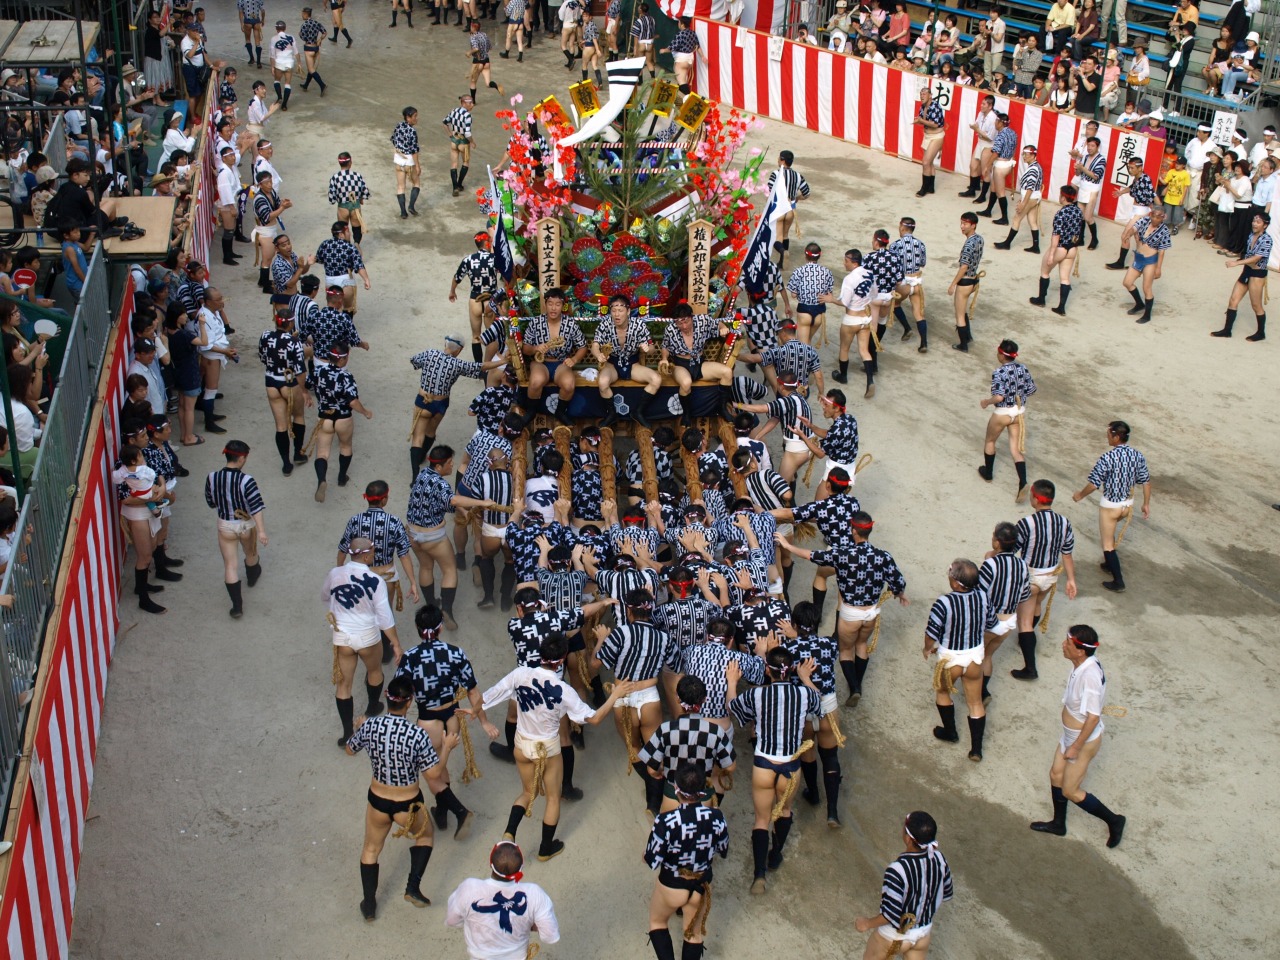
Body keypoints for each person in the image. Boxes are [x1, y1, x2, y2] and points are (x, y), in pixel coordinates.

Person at [470, 632, 635, 860]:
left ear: (541, 654)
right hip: (548, 749)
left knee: (528, 792)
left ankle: (509, 833)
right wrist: (614, 694)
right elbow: (594, 719)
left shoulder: (521, 674)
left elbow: (488, 697)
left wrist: (474, 712)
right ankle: (545, 848)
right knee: (553, 798)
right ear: (562, 659)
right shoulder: (564, 690)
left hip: (522, 745)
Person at [345, 676, 459, 920]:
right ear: (410, 702)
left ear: (387, 698)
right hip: (408, 803)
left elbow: (349, 749)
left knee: (371, 849)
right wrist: (447, 746)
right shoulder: (417, 735)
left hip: (377, 799)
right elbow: (434, 773)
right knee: (426, 836)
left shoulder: (370, 726)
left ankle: (369, 904)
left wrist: (359, 728)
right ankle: (412, 887)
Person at [776, 507, 906, 704]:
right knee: (861, 645)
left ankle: (854, 687)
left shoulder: (843, 554)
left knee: (845, 650)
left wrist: (787, 545)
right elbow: (898, 581)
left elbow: (811, 555)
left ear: (853, 530)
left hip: (850, 613)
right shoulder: (883, 556)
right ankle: (857, 684)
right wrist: (900, 594)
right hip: (871, 613)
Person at [394, 604, 497, 836]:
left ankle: (460, 812)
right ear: (440, 628)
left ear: (418, 629)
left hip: (428, 721)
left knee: (431, 774)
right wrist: (484, 722)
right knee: (441, 767)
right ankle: (442, 812)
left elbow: (400, 694)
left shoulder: (409, 658)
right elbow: (472, 692)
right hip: (453, 717)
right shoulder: (456, 652)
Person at [728, 646, 819, 895]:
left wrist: (732, 682)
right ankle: (775, 854)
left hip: (764, 764)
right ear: (789, 670)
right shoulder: (803, 694)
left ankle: (759, 875)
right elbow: (818, 703)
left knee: (761, 819)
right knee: (785, 811)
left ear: (767, 669)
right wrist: (806, 678)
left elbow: (734, 708)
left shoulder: (757, 695)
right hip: (790, 765)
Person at [1029, 625, 1126, 848]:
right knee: (1055, 774)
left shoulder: (1089, 677)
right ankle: (1058, 823)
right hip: (1069, 734)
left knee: (1070, 790)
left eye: (1068, 643)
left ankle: (1114, 820)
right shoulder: (1083, 664)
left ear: (1080, 650)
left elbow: (1092, 718)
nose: (1063, 645)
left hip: (1082, 741)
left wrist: (1075, 747)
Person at [642, 763, 730, 960]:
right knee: (694, 934)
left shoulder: (666, 821)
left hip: (672, 884)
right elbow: (723, 850)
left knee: (657, 923)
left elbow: (652, 860)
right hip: (702, 885)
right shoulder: (717, 817)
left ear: (676, 789)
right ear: (703, 791)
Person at [405, 444, 494, 629]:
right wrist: (482, 502)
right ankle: (446, 609)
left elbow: (445, 503)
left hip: (413, 534)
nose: (452, 465)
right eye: (449, 463)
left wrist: (462, 508)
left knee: (426, 567)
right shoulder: (441, 483)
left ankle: (431, 606)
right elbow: (453, 499)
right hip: (433, 537)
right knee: (449, 569)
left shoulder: (422, 475)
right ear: (439, 467)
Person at [325, 537, 402, 745]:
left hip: (343, 637)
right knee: (374, 671)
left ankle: (348, 733)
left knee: (343, 685)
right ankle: (372, 707)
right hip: (368, 635)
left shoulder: (335, 573)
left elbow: (325, 595)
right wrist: (395, 643)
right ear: (367, 555)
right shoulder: (376, 581)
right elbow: (385, 616)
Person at [853, 812, 954, 960]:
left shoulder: (897, 869)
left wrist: (867, 923)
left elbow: (890, 914)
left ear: (908, 839)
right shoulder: (939, 858)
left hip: (892, 938)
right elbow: (947, 892)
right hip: (922, 935)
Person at [924, 559, 996, 761]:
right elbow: (991, 622)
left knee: (943, 692)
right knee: (975, 702)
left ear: (956, 583)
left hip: (950, 660)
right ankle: (976, 749)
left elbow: (931, 633)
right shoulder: (983, 596)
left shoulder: (944, 602)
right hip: (974, 657)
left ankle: (950, 732)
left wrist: (927, 648)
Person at [1072, 420, 1150, 593]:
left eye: (1109, 434)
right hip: (1127, 506)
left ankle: (1118, 580)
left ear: (1116, 436)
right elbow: (1145, 481)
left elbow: (1093, 484)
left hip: (1110, 506)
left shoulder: (1108, 457)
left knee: (1107, 543)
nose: (1107, 437)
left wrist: (1080, 495)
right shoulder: (1137, 455)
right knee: (1111, 534)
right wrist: (1146, 504)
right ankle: (1108, 564)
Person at [638, 675, 736, 814]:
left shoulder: (665, 729)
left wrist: (660, 772)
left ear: (678, 698)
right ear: (704, 700)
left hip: (672, 796)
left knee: (665, 833)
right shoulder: (716, 732)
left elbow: (651, 770)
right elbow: (730, 766)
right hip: (703, 797)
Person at [1010, 479, 1077, 680]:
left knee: (1024, 621)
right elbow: (1067, 554)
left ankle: (1030, 667)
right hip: (1050, 575)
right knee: (1037, 605)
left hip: (1031, 576)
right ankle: (1028, 639)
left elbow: (1011, 551)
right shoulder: (1064, 523)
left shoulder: (1026, 523)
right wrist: (1071, 579)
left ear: (1035, 498)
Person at [445, 843, 561, 960]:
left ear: (491, 863)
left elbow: (452, 920)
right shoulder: (535, 893)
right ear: (521, 868)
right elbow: (550, 936)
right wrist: (530, 925)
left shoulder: (469, 888)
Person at [408, 335, 503, 477]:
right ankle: (422, 455)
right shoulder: (457, 364)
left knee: (417, 437)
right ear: (459, 350)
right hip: (440, 404)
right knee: (430, 432)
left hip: (423, 401)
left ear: (445, 343)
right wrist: (504, 361)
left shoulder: (430, 353)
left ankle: (415, 473)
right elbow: (481, 367)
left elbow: (413, 360)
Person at [204, 439, 268, 618]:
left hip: (225, 525)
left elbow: (210, 502)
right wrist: (261, 531)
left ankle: (237, 606)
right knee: (250, 553)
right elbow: (256, 507)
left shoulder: (212, 477)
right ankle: (252, 577)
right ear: (241, 459)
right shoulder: (247, 480)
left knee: (230, 566)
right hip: (245, 524)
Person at [309, 344, 372, 501]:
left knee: (322, 452)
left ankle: (322, 480)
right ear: (343, 359)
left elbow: (306, 384)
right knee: (345, 446)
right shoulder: (346, 377)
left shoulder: (318, 371)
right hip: (343, 416)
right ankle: (342, 477)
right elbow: (352, 401)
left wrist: (305, 394)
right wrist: (365, 412)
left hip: (324, 416)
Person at [978, 339, 1035, 499]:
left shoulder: (999, 372)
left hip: (1002, 413)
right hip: (1018, 413)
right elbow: (1031, 390)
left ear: (1002, 355)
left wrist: (986, 402)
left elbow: (999, 396)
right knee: (1015, 449)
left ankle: (988, 473)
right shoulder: (1023, 368)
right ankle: (1022, 481)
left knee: (990, 441)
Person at [521, 288, 587, 426]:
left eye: (557, 304)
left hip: (560, 363)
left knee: (569, 384)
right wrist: (536, 348)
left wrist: (574, 359)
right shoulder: (536, 322)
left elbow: (582, 346)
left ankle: (560, 412)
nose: (553, 308)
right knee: (536, 381)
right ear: (545, 304)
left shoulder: (570, 324)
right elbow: (526, 348)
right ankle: (531, 411)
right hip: (541, 362)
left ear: (563, 306)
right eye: (550, 303)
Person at [657, 304, 733, 424]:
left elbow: (718, 323)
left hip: (699, 362)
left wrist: (723, 328)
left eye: (686, 321)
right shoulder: (671, 329)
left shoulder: (702, 320)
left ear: (691, 317)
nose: (684, 326)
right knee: (686, 383)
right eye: (679, 323)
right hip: (681, 364)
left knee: (727, 372)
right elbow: (665, 346)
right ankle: (686, 413)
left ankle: (722, 408)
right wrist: (664, 358)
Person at [594, 293, 661, 427]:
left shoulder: (638, 325)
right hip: (612, 363)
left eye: (620, 310)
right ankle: (612, 414)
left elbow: (652, 347)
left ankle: (638, 412)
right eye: (613, 310)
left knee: (656, 379)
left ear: (628, 311)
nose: (617, 314)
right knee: (602, 382)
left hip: (632, 363)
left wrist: (648, 349)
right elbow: (595, 345)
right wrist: (598, 355)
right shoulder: (605, 325)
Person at [259, 302, 308, 475]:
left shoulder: (265, 335)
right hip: (289, 382)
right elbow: (300, 370)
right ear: (290, 323)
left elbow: (262, 357)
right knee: (299, 416)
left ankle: (286, 463)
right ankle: (298, 453)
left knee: (280, 425)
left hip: (271, 381)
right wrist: (304, 391)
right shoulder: (294, 342)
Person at [1212, 210, 1272, 341]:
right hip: (1247, 270)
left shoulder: (1267, 239)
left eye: (1258, 222)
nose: (1254, 224)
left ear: (1265, 225)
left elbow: (1256, 258)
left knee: (1256, 305)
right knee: (1233, 300)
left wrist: (1236, 263)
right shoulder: (1251, 235)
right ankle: (1227, 330)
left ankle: (1261, 333)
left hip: (1257, 274)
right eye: (1254, 221)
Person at [1030, 185, 1084, 316]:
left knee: (1045, 271)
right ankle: (1061, 307)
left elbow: (1056, 235)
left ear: (1063, 197)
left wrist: (1051, 254)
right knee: (1065, 278)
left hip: (1060, 247)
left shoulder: (1061, 213)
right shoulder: (1078, 211)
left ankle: (1041, 299)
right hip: (1072, 249)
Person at [1120, 208, 1172, 325]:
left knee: (1147, 288)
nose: (1155, 219)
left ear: (1163, 217)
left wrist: (1158, 268)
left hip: (1150, 261)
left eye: (1158, 217)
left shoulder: (1164, 231)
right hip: (1138, 258)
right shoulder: (1145, 221)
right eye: (1153, 216)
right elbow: (1134, 228)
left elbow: (1162, 251)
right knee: (1127, 282)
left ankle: (1147, 315)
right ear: (1150, 214)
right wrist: (1127, 234)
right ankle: (1139, 303)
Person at [1106, 157, 1158, 272]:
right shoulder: (1137, 178)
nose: (1130, 170)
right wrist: (1121, 192)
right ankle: (1142, 263)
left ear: (1140, 168)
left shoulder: (1146, 179)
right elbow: (1132, 187)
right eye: (1129, 167)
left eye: (1132, 168)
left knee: (1125, 235)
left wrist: (1158, 212)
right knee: (1138, 238)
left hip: (1141, 211)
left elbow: (1152, 196)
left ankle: (1121, 262)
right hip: (1136, 210)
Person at [452, 233, 497, 360]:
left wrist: (452, 292)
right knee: (492, 335)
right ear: (487, 243)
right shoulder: (495, 258)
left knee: (476, 336)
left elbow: (457, 277)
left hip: (475, 300)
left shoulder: (468, 260)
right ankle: (489, 364)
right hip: (491, 300)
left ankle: (478, 368)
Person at [994, 145, 1044, 253]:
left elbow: (1030, 188)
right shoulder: (1035, 167)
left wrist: (1023, 202)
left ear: (1032, 155)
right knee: (1032, 221)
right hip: (1034, 197)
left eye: (1026, 154)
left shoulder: (1033, 169)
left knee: (1017, 219)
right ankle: (1036, 246)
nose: (1024, 157)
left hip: (1030, 197)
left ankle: (1007, 243)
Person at [888, 217, 928, 350]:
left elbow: (893, 266)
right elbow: (922, 263)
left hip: (903, 282)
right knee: (919, 313)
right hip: (916, 282)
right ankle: (924, 343)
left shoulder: (895, 245)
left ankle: (907, 328)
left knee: (894, 303)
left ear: (902, 227)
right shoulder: (921, 244)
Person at [783, 243, 834, 345]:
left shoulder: (799, 271)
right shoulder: (827, 272)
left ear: (805, 255)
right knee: (808, 342)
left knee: (803, 345)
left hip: (804, 310)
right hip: (819, 311)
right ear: (820, 255)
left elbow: (793, 294)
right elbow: (829, 294)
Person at [948, 212, 983, 351]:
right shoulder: (979, 239)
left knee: (959, 315)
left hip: (965, 281)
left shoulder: (969, 244)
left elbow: (963, 267)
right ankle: (967, 336)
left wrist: (953, 284)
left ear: (973, 225)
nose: (962, 226)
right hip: (974, 279)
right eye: (961, 223)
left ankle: (963, 344)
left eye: (965, 224)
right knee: (963, 311)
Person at [978, 113, 1016, 225]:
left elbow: (995, 153)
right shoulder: (1013, 133)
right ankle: (988, 210)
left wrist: (987, 166)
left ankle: (1004, 218)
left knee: (1000, 192)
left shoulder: (1000, 136)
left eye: (996, 121)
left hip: (1001, 164)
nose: (994, 123)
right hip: (1008, 162)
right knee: (993, 188)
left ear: (1000, 122)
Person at [958, 95, 996, 204]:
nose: (981, 106)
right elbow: (977, 125)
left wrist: (977, 129)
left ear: (990, 106)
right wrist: (975, 127)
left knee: (985, 171)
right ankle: (972, 190)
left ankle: (983, 195)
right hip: (980, 142)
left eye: (984, 104)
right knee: (973, 166)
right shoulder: (981, 114)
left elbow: (990, 137)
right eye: (981, 103)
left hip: (988, 145)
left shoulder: (993, 118)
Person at [328, 152, 371, 244]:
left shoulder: (335, 178)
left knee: (343, 230)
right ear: (350, 162)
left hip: (342, 207)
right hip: (355, 206)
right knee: (357, 229)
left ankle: (346, 248)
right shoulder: (357, 176)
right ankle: (356, 245)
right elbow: (366, 192)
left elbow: (331, 199)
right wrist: (360, 198)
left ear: (339, 163)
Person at [913, 86, 945, 197]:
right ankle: (931, 186)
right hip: (927, 135)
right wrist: (918, 121)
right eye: (921, 94)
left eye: (924, 94)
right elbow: (923, 120)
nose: (922, 96)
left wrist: (921, 120)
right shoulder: (923, 106)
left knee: (925, 162)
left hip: (936, 136)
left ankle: (924, 188)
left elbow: (935, 124)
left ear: (930, 95)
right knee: (929, 162)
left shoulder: (935, 106)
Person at [391, 107, 422, 219]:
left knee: (400, 187)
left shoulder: (399, 126)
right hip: (409, 160)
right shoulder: (412, 131)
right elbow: (414, 150)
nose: (416, 118)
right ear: (408, 118)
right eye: (414, 116)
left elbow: (393, 139)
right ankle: (411, 206)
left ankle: (403, 212)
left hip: (398, 159)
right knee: (416, 183)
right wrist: (417, 165)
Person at [466, 21, 505, 105]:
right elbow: (490, 47)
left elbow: (476, 48)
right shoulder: (484, 34)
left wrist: (469, 52)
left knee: (473, 82)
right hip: (486, 60)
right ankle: (496, 86)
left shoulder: (473, 37)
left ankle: (473, 101)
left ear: (473, 28)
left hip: (477, 61)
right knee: (488, 83)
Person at [268, 20, 298, 110]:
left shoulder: (273, 39)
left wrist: (272, 66)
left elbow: (272, 55)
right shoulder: (291, 37)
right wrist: (299, 63)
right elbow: (296, 52)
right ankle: (284, 105)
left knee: (277, 80)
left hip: (279, 63)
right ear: (285, 28)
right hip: (289, 63)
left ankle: (279, 97)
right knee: (287, 84)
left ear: (276, 29)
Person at [298, 7, 328, 95]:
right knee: (310, 68)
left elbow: (304, 37)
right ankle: (306, 85)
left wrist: (299, 34)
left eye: (302, 13)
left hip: (308, 48)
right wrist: (319, 40)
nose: (301, 15)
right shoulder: (316, 23)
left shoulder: (304, 25)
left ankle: (322, 85)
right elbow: (325, 32)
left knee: (311, 70)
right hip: (315, 48)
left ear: (305, 14)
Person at [237, 0, 266, 67]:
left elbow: (240, 12)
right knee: (258, 42)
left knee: (247, 40)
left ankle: (251, 58)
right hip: (256, 21)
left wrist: (241, 24)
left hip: (247, 21)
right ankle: (258, 62)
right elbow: (263, 10)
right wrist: (263, 20)